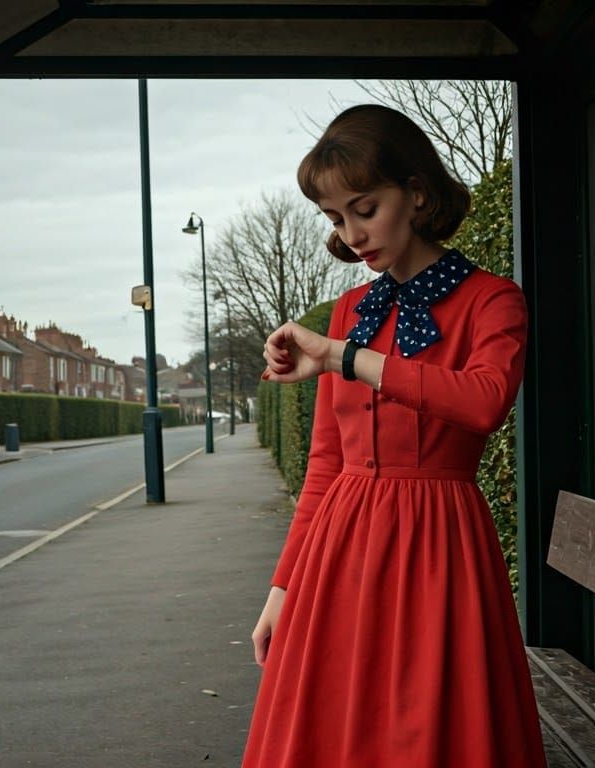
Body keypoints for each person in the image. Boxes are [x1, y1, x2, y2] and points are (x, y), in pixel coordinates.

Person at [241, 104, 547, 768]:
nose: (352, 233)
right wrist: (281, 591)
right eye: (334, 218)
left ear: (415, 191)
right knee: (335, 733)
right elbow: (325, 464)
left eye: (364, 207)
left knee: (435, 734)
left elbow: (485, 400)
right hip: (341, 552)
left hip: (441, 548)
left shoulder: (493, 300)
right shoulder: (351, 310)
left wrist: (342, 357)